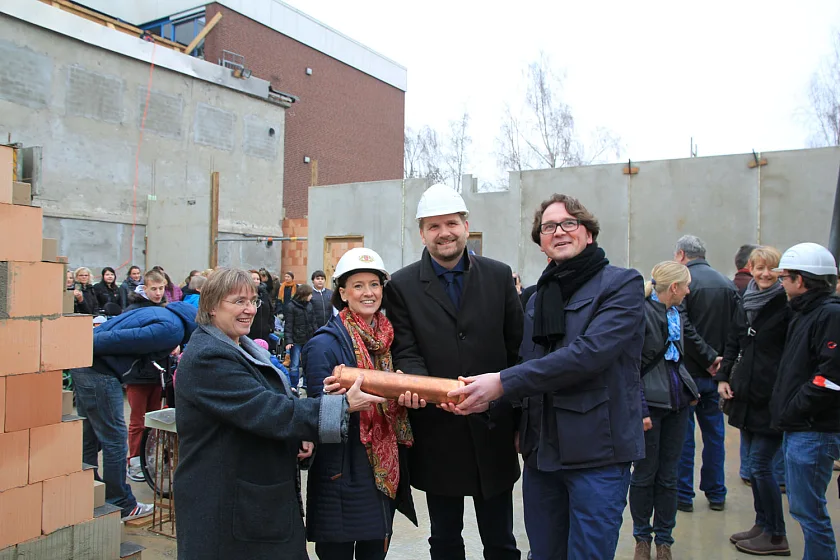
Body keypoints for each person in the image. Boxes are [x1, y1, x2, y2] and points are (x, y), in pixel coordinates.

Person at [447, 193, 645, 560]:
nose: (559, 232)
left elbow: (587, 355)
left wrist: (500, 383)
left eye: (569, 223)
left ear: (588, 233)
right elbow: (528, 360)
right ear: (541, 243)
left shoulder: (622, 285)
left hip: (596, 454)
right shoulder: (538, 298)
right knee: (543, 553)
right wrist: (496, 407)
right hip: (542, 455)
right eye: (549, 227)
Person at [173, 267, 384, 559]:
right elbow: (266, 410)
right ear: (211, 306)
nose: (249, 310)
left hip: (251, 500)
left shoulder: (240, 347)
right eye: (239, 301)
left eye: (253, 301)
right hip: (226, 502)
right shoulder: (208, 357)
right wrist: (343, 405)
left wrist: (299, 436)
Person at [385, 183, 523, 560]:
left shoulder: (498, 276)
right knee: (445, 539)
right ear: (421, 233)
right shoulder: (402, 285)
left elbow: (517, 350)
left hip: (493, 427)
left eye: (451, 223)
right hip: (438, 431)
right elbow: (406, 349)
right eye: (433, 226)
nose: (443, 233)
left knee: (501, 540)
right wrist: (426, 390)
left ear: (466, 226)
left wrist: (518, 418)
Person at [302, 247, 423, 559]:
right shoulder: (323, 345)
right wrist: (345, 404)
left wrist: (403, 397)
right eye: (358, 285)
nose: (369, 293)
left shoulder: (389, 340)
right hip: (342, 475)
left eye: (374, 284)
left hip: (383, 472)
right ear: (342, 293)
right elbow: (314, 418)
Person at [69, 294, 197, 522]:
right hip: (99, 371)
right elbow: (117, 339)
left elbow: (126, 336)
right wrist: (82, 342)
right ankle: (120, 503)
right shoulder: (172, 329)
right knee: (114, 439)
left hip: (85, 365)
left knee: (89, 434)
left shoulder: (161, 314)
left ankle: (87, 489)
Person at [717, 246, 791, 556]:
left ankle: (777, 535)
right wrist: (723, 377)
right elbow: (733, 341)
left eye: (771, 269)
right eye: (759, 268)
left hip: (771, 397)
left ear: (780, 272)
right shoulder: (745, 299)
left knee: (760, 466)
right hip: (746, 394)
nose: (764, 274)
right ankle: (762, 525)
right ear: (751, 269)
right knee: (755, 466)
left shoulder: (787, 305)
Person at [770, 242, 840, 560]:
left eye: (784, 277)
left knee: (809, 512)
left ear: (801, 280)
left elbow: (830, 379)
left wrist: (795, 408)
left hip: (813, 430)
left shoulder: (829, 315)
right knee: (804, 510)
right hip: (802, 426)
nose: (781, 283)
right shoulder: (805, 312)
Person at [632, 262, 705, 560]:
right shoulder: (641, 314)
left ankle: (664, 540)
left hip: (677, 404)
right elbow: (632, 366)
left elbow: (677, 359)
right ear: (674, 287)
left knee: (669, 476)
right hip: (651, 406)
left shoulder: (676, 314)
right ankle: (642, 538)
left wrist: (691, 388)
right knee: (644, 474)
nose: (688, 291)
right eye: (686, 286)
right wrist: (641, 409)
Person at [674, 235, 735, 512]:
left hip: (689, 374)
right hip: (717, 376)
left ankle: (683, 495)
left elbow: (683, 327)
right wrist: (720, 362)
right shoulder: (726, 284)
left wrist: (708, 357)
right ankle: (716, 493)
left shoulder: (684, 285)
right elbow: (736, 329)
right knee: (714, 436)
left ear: (681, 255)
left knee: (684, 438)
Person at [121, 269, 178, 482]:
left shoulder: (164, 308)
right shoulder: (134, 310)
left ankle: (150, 459)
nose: (158, 292)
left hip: (158, 373)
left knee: (154, 421)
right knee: (137, 420)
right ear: (144, 288)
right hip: (137, 374)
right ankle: (134, 460)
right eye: (154, 288)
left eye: (161, 288)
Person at [285, 284, 315, 389]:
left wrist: (316, 336)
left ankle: (306, 384)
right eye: (310, 294)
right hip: (296, 340)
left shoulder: (310, 305)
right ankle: (293, 386)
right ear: (304, 295)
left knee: (308, 363)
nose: (311, 296)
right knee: (294, 364)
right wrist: (288, 340)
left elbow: (313, 323)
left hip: (308, 338)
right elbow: (288, 324)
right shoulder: (291, 306)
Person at [248, 270, 276, 351]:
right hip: (250, 332)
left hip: (264, 332)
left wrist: (271, 326)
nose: (256, 281)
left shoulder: (265, 293)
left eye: (258, 279)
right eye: (253, 279)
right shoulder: (245, 294)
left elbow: (271, 311)